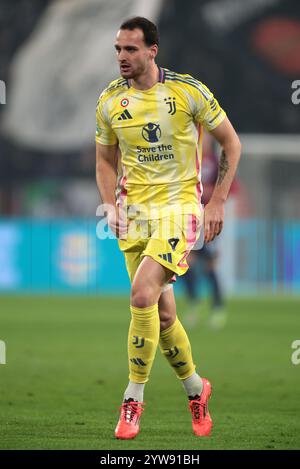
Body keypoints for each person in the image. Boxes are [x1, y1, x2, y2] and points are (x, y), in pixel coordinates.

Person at [95, 17, 241, 440]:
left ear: (152, 51)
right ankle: (197, 388)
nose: (122, 57)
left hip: (180, 209)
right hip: (132, 214)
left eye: (131, 50)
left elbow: (231, 143)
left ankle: (132, 398)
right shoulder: (109, 101)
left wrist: (216, 203)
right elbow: (104, 160)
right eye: (118, 49)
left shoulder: (187, 91)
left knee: (141, 293)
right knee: (160, 313)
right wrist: (108, 204)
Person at [183, 132, 240, 329]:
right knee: (185, 264)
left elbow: (231, 188)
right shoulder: (187, 161)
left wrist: (212, 194)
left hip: (209, 220)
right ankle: (194, 304)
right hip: (189, 219)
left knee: (209, 265)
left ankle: (217, 308)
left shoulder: (216, 162)